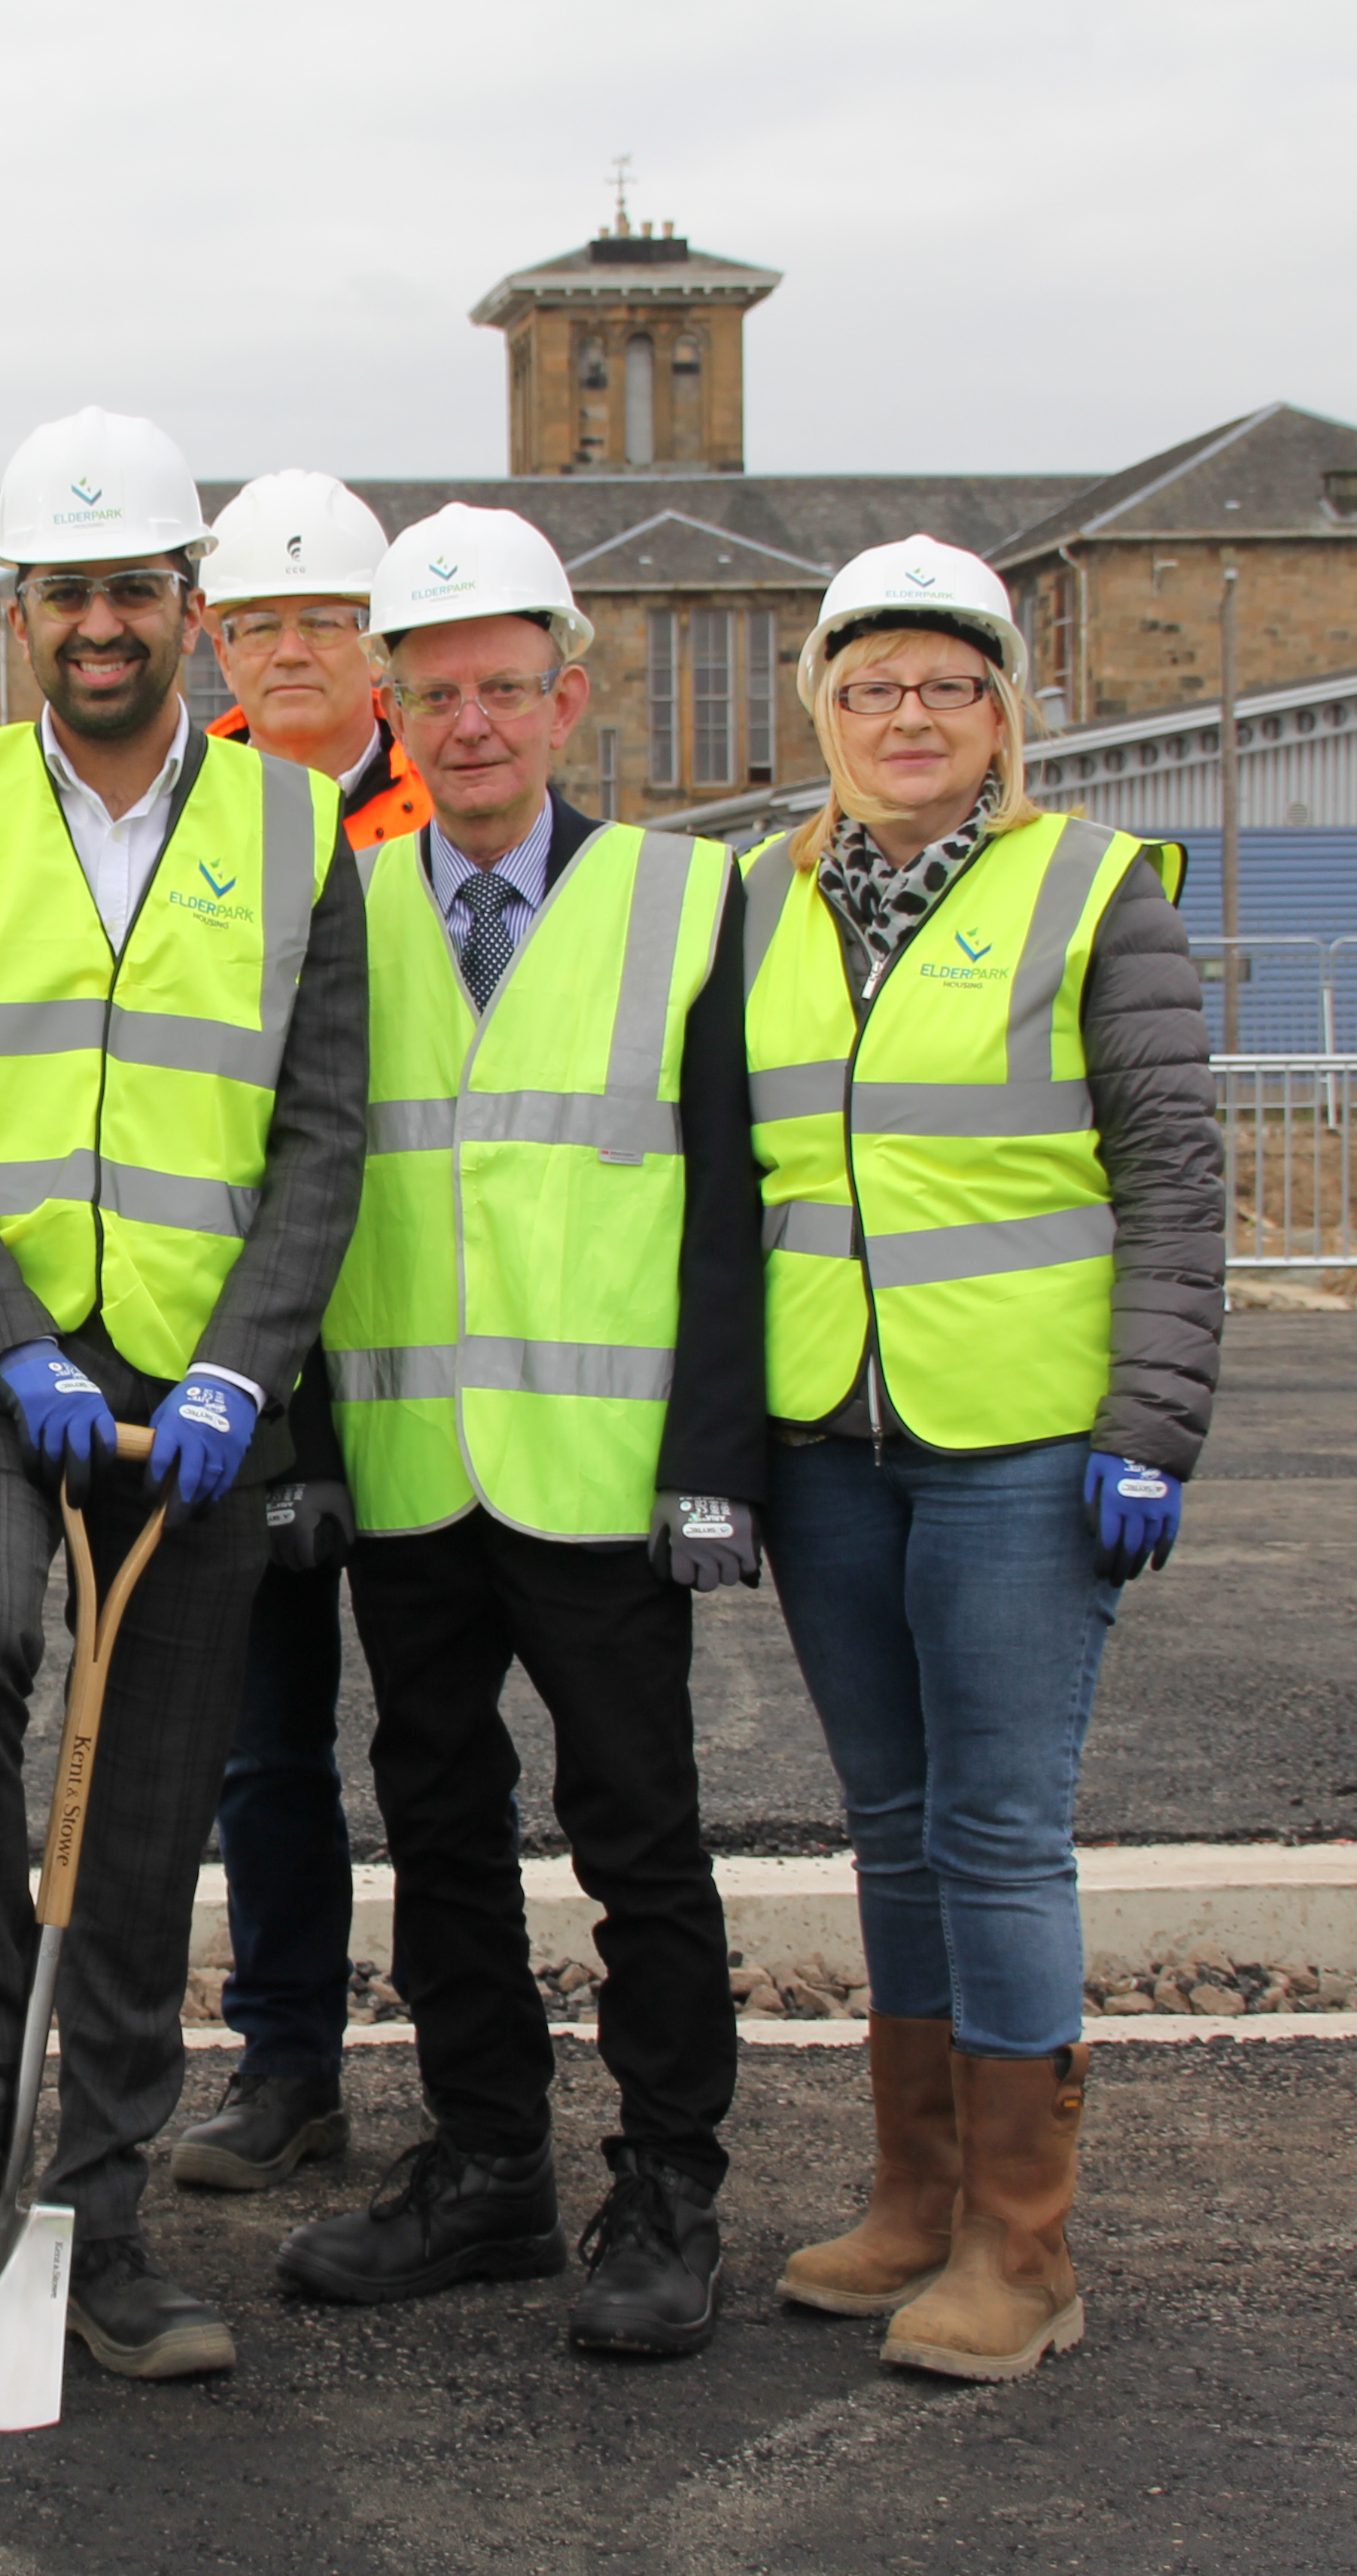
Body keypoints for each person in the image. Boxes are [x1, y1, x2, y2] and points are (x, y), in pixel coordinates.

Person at [0, 406, 366, 2381]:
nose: (100, 623)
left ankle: (107, 2208)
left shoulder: (294, 831)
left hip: (203, 1378)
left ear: (189, 608)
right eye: (65, 591)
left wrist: (244, 1363)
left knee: (150, 1791)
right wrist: (7, 1337)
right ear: (21, 614)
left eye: (134, 586)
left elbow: (326, 1137)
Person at [266, 508, 765, 2359]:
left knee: (643, 1835)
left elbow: (733, 1210)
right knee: (442, 1829)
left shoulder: (690, 901)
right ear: (390, 710)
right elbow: (304, 1193)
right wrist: (310, 1447)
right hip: (405, 1472)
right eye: (436, 692)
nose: (470, 724)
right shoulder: (341, 912)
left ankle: (669, 2190)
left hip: (608, 1479)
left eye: (503, 689)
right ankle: (488, 2172)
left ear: (569, 697)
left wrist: (719, 1460)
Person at [739, 535, 1221, 2383]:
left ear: (1008, 710)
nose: (910, 716)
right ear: (828, 713)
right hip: (830, 1441)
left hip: (1027, 1441)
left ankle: (1025, 2249)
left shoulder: (1097, 892)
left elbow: (1178, 1178)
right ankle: (914, 2201)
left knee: (1000, 1833)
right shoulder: (760, 901)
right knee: (891, 1832)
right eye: (872, 686)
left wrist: (1153, 1425)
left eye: (949, 683)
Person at [169, 470, 434, 2194]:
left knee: (433, 1734)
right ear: (214, 642)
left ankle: (479, 2089)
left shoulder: (454, 815)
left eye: (322, 623)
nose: (288, 654)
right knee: (261, 1746)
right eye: (255, 624)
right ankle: (287, 2066)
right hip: (249, 1355)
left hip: (423, 1354)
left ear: (378, 646)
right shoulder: (189, 829)